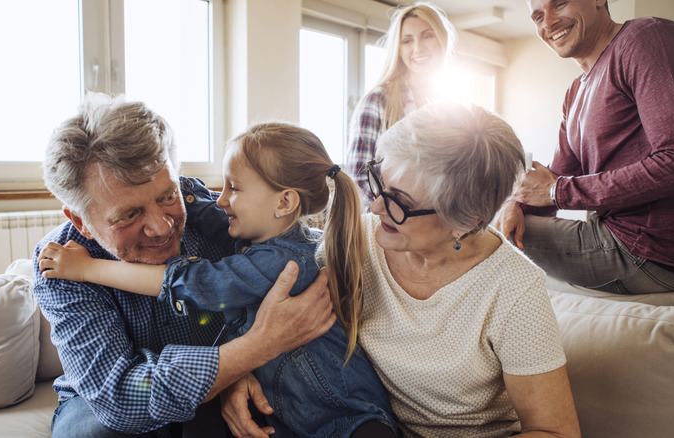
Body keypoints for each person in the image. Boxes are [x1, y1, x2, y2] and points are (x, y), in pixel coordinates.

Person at [225, 101, 582, 438]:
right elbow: (278, 317)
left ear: (465, 221)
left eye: (400, 202)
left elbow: (555, 432)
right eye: (380, 182)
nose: (377, 207)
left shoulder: (515, 290)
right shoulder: (360, 238)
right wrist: (238, 372)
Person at [39, 122, 398, 437]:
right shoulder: (61, 264)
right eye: (129, 214)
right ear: (81, 221)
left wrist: (233, 371)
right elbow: (119, 398)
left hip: (304, 402)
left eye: (168, 196)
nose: (162, 227)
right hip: (114, 400)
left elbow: (275, 242)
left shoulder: (222, 221)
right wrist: (250, 352)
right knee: (91, 431)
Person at [495, 0, 674, 294]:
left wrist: (557, 192)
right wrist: (516, 203)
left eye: (559, 3)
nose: (548, 22)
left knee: (486, 237)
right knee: (497, 219)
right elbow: (556, 175)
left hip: (655, 252)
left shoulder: (646, 38)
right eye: (537, 16)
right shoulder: (575, 92)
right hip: (615, 236)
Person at [345, 1, 457, 205]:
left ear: (442, 39)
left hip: (442, 216)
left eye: (427, 36)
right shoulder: (378, 101)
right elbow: (359, 178)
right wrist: (399, 213)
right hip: (392, 218)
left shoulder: (454, 106)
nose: (418, 48)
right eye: (407, 41)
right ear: (398, 48)